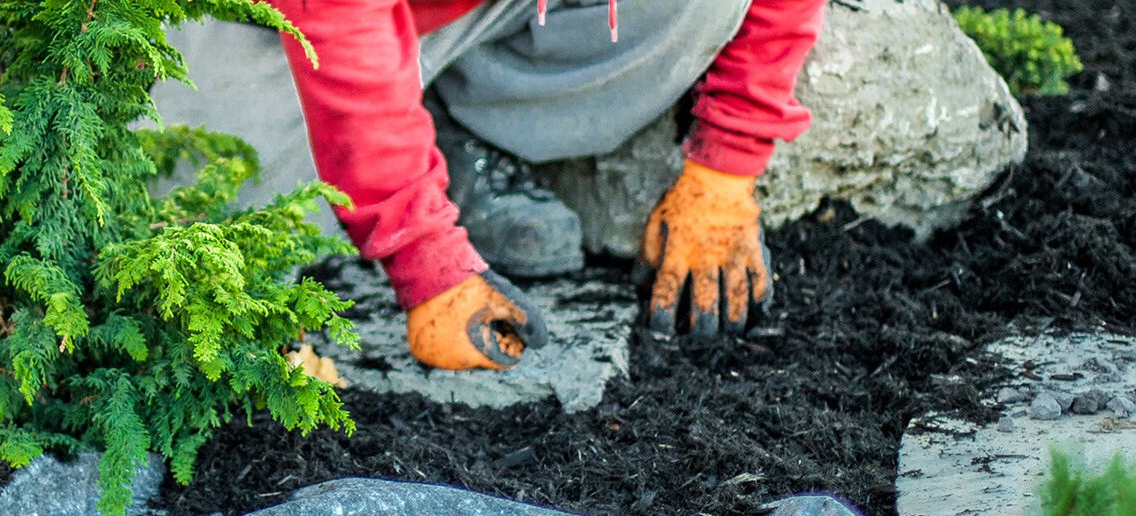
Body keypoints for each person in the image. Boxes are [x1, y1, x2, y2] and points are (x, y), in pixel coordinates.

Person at [218, 0, 826, 371]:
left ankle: (450, 131)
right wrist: (425, 260)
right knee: (211, 208)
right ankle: (407, 148)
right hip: (277, 29)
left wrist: (726, 165)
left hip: (481, 14)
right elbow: (338, 15)